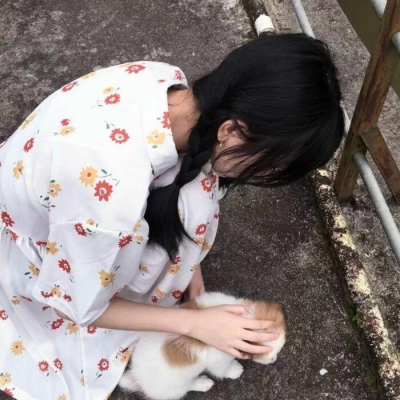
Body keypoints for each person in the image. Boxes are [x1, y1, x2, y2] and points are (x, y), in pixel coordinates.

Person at [0, 33, 344, 400]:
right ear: (231, 131)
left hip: (57, 196)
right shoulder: (111, 203)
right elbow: (77, 305)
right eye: (272, 164)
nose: (266, 176)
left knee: (195, 192)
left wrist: (191, 273)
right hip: (42, 247)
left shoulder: (167, 81)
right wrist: (195, 322)